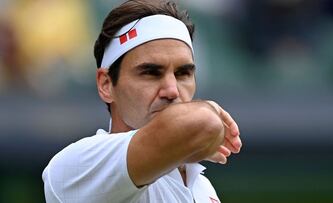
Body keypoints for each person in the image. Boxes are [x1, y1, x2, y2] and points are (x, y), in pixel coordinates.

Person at [42, 0, 242, 202]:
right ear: (106, 85)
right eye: (151, 73)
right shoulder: (76, 168)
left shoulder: (203, 188)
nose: (172, 90)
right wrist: (210, 110)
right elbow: (203, 124)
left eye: (183, 74)